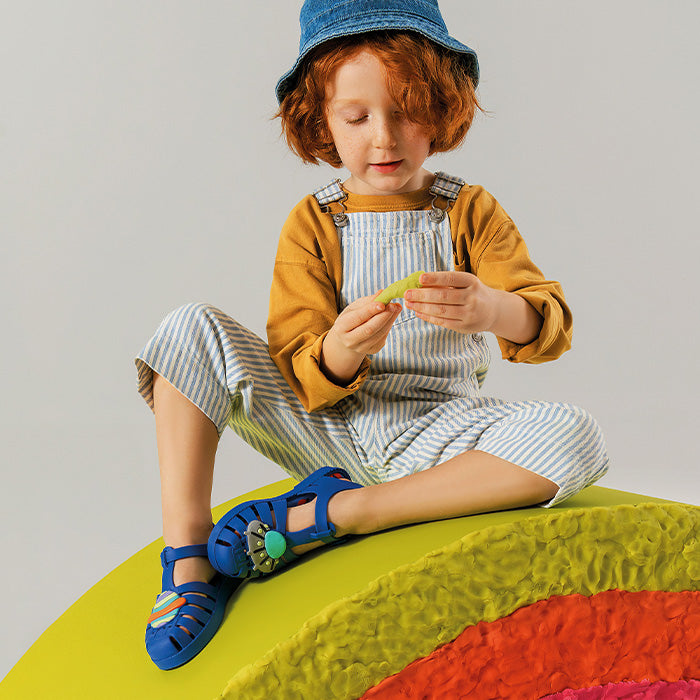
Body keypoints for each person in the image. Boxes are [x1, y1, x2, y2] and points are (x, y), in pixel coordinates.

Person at [136, 0, 609, 671]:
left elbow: (549, 325)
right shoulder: (315, 222)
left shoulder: (469, 211)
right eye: (356, 118)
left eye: (407, 111)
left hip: (441, 436)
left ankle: (340, 514)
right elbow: (298, 367)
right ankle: (188, 556)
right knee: (187, 327)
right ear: (320, 121)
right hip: (327, 427)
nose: (384, 138)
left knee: (577, 434)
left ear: (443, 108)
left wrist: (492, 309)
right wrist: (340, 350)